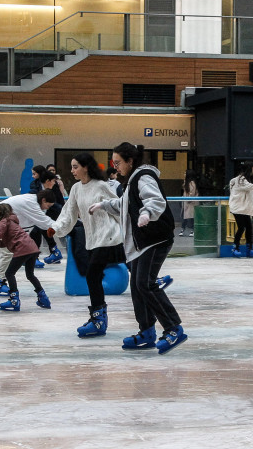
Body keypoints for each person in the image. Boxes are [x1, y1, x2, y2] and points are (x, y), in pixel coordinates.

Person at [90, 142, 186, 354]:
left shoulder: (143, 177)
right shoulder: (131, 181)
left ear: (130, 161)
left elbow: (155, 200)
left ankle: (173, 328)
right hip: (142, 243)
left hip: (155, 239)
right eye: (113, 163)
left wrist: (147, 214)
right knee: (136, 285)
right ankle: (147, 332)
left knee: (145, 284)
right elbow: (123, 205)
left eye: (118, 163)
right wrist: (103, 205)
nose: (115, 167)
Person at [51, 152, 125, 337]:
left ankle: (98, 319)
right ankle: (98, 319)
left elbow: (118, 208)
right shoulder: (76, 188)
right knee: (94, 277)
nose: (72, 170)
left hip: (108, 235)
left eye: (75, 166)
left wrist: (130, 230)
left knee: (92, 275)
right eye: (71, 167)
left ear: (86, 167)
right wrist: (56, 227)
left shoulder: (101, 186)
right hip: (92, 239)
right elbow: (69, 213)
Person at [0, 202, 51, 312]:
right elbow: (6, 242)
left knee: (9, 273)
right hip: (32, 247)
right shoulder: (12, 221)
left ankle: (14, 300)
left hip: (23, 248)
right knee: (30, 275)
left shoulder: (4, 221)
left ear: (0, 213)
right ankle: (43, 297)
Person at [180, 170, 199, 237]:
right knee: (185, 216)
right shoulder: (186, 182)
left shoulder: (191, 183)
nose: (184, 174)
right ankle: (183, 229)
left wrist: (188, 200)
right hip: (186, 202)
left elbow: (192, 193)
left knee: (191, 217)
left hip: (191, 203)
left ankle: (192, 230)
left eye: (185, 173)